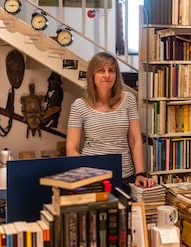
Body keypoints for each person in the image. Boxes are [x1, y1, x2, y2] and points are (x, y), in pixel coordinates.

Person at [66, 52, 155, 193]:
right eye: (101, 70)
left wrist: (140, 173)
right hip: (92, 178)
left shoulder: (129, 100)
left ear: (116, 75)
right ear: (92, 75)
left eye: (111, 70)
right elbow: (72, 148)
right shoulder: (79, 105)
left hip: (125, 176)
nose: (107, 75)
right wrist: (87, 174)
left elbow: (135, 140)